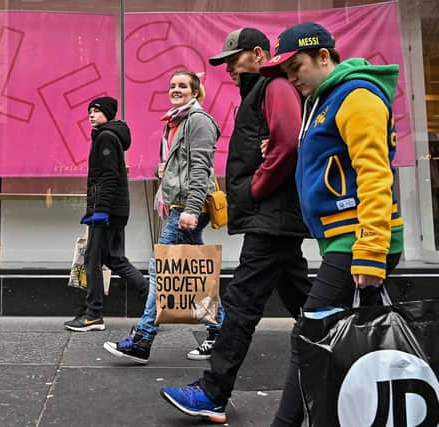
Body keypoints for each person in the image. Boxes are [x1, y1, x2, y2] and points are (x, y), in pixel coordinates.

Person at [160, 28, 312, 424]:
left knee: (242, 303)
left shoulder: (272, 85)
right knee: (308, 304)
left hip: (272, 218)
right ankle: (349, 357)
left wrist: (259, 186)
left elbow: (290, 143)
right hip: (275, 218)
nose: (227, 66)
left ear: (260, 54)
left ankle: (213, 392)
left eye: (235, 58)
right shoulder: (261, 90)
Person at [257, 22, 404, 426]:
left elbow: (375, 176)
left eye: (296, 67)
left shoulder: (355, 96)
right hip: (345, 238)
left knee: (310, 333)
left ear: (325, 56)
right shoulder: (323, 100)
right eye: (286, 73)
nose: (291, 78)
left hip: (358, 239)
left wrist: (371, 253)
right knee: (354, 337)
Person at [103, 70, 225, 364]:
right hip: (179, 205)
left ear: (195, 92)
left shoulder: (197, 121)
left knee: (161, 268)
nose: (176, 89)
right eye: (172, 85)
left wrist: (192, 210)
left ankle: (142, 339)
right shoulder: (175, 121)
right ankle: (222, 332)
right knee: (195, 270)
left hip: (188, 206)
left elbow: (201, 168)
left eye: (183, 86)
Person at [64, 96, 148, 332]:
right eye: (89, 111)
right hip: (115, 210)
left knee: (92, 259)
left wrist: (99, 211)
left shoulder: (106, 137)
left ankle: (93, 315)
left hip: (108, 211)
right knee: (114, 259)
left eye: (96, 111)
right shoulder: (109, 135)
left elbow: (109, 177)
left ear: (108, 114)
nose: (91, 114)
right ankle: (155, 303)